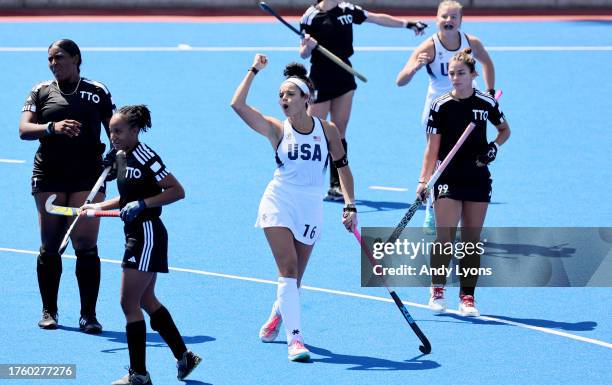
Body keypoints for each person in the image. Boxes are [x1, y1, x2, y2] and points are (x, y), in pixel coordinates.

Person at [231, 54, 357, 361]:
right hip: (279, 199)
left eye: (289, 94)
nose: (283, 99)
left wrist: (350, 204)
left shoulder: (327, 131)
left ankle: (278, 313)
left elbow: (342, 167)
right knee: (286, 269)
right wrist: (253, 71)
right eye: (280, 95)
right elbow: (238, 105)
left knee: (295, 279)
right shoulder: (277, 129)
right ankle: (295, 340)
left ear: (306, 98)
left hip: (311, 207)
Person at [82, 105, 201, 385]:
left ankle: (139, 375)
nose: (113, 136)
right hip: (135, 232)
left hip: (147, 233)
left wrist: (143, 204)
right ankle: (185, 357)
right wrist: (97, 206)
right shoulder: (120, 157)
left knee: (128, 302)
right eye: (111, 130)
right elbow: (125, 200)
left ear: (135, 130)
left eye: (119, 131)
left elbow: (177, 191)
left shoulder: (146, 156)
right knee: (146, 300)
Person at [19, 38, 116, 333]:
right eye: (50, 59)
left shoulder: (97, 91)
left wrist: (117, 163)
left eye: (59, 57)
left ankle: (89, 315)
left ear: (76, 59)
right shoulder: (40, 91)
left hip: (88, 176)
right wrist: (52, 127)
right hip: (49, 174)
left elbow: (117, 131)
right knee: (51, 245)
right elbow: (24, 129)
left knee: (85, 244)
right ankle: (49, 311)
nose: (53, 64)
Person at [300, 0, 427, 201]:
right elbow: (304, 53)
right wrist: (309, 46)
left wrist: (407, 23)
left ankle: (336, 185)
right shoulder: (310, 16)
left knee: (338, 132)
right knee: (311, 131)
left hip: (344, 76)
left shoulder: (347, 9)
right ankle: (305, 182)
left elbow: (376, 18)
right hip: (320, 79)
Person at [415, 48, 510, 317]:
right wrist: (424, 180)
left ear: (473, 75)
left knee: (471, 239)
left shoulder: (486, 104)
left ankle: (467, 297)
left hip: (477, 176)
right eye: (452, 73)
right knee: (444, 237)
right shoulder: (441, 105)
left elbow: (505, 130)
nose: (455, 78)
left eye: (460, 73)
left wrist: (493, 148)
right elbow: (431, 149)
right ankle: (437, 290)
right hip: (447, 175)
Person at [396, 0, 496, 234]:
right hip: (439, 108)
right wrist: (414, 68)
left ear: (460, 20)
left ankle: (466, 207)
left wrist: (490, 92)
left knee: (471, 155)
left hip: (469, 106)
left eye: (453, 17)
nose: (448, 21)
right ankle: (434, 208)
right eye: (444, 16)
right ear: (436, 18)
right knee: (437, 159)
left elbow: (488, 63)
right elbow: (400, 80)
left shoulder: (471, 43)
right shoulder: (429, 47)